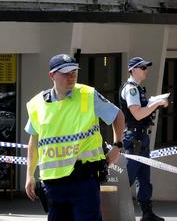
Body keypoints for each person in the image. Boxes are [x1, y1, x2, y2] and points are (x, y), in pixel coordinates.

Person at [25, 53, 125, 221]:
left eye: (74, 72)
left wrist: (117, 146)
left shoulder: (88, 95)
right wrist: (29, 175)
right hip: (53, 184)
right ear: (52, 75)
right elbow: (33, 143)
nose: (71, 76)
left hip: (83, 180)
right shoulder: (37, 105)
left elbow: (118, 115)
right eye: (65, 73)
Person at [120, 56, 168, 221]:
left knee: (144, 177)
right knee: (128, 177)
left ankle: (147, 213)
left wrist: (153, 102)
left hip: (140, 136)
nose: (145, 70)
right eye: (142, 68)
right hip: (134, 137)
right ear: (133, 70)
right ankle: (115, 210)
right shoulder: (131, 89)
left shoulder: (138, 88)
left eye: (146, 67)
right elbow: (137, 114)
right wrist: (156, 104)